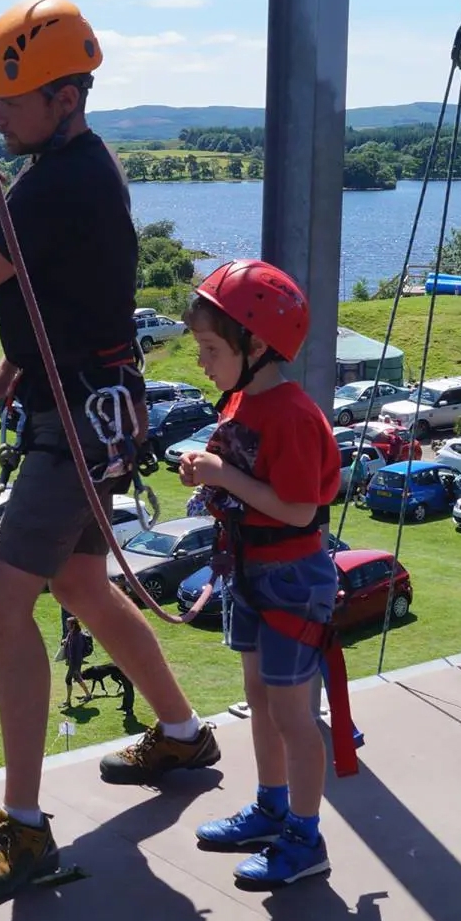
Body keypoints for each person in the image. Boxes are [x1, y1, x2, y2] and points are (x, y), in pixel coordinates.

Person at [0, 0, 217, 904]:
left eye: (12, 102)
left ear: (65, 98)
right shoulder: (79, 167)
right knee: (82, 585)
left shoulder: (53, 184)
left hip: (80, 425)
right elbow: (70, 300)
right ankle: (180, 729)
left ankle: (22, 827)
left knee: (0, 606)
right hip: (94, 406)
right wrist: (14, 370)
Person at [178, 260, 344, 887]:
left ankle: (306, 836)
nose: (202, 362)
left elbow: (300, 508)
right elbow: (248, 479)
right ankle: (273, 806)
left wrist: (224, 477)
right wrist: (209, 469)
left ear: (256, 345)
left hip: (290, 579)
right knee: (260, 701)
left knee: (293, 715)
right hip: (252, 570)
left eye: (211, 348)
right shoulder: (246, 400)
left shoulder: (294, 416)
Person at [59, 617, 92, 709]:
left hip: (75, 662)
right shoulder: (71, 633)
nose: (66, 625)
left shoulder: (78, 636)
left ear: (73, 625)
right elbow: (67, 640)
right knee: (77, 678)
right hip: (73, 662)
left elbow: (77, 652)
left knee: (68, 679)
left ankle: (68, 701)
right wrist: (64, 641)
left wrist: (72, 664)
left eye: (68, 623)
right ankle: (88, 695)